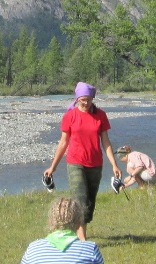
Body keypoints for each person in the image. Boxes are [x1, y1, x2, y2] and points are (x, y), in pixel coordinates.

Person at [43, 82, 122, 239]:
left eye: (89, 99)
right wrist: (53, 167)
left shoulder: (100, 116)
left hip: (95, 164)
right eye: (82, 100)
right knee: (80, 199)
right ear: (77, 99)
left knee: (90, 202)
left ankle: (76, 231)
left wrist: (114, 164)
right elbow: (63, 142)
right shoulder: (70, 116)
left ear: (93, 98)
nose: (85, 103)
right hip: (75, 162)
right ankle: (82, 241)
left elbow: (105, 142)